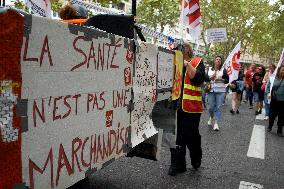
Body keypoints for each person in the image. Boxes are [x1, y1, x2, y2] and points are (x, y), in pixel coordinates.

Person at [168, 42, 205, 176]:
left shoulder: (197, 61)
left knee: (191, 136)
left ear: (188, 50)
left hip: (191, 108)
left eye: (182, 48)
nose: (180, 50)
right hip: (175, 106)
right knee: (176, 136)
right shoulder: (174, 63)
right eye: (178, 48)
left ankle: (196, 158)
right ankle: (177, 165)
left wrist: (187, 64)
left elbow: (199, 79)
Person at [207, 56, 229, 131]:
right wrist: (211, 78)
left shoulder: (223, 70)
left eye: (220, 59)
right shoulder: (209, 69)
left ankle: (216, 123)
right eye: (217, 59)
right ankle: (211, 117)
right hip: (211, 91)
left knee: (218, 107)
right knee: (211, 108)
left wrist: (221, 79)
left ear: (221, 62)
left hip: (221, 91)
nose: (218, 60)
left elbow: (227, 80)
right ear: (214, 61)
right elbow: (205, 79)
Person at [266, 65, 284, 137]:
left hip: (283, 102)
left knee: (282, 116)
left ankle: (279, 130)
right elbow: (268, 87)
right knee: (272, 115)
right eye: (282, 70)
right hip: (274, 100)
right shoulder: (273, 78)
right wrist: (268, 93)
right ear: (279, 71)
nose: (283, 71)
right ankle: (270, 126)